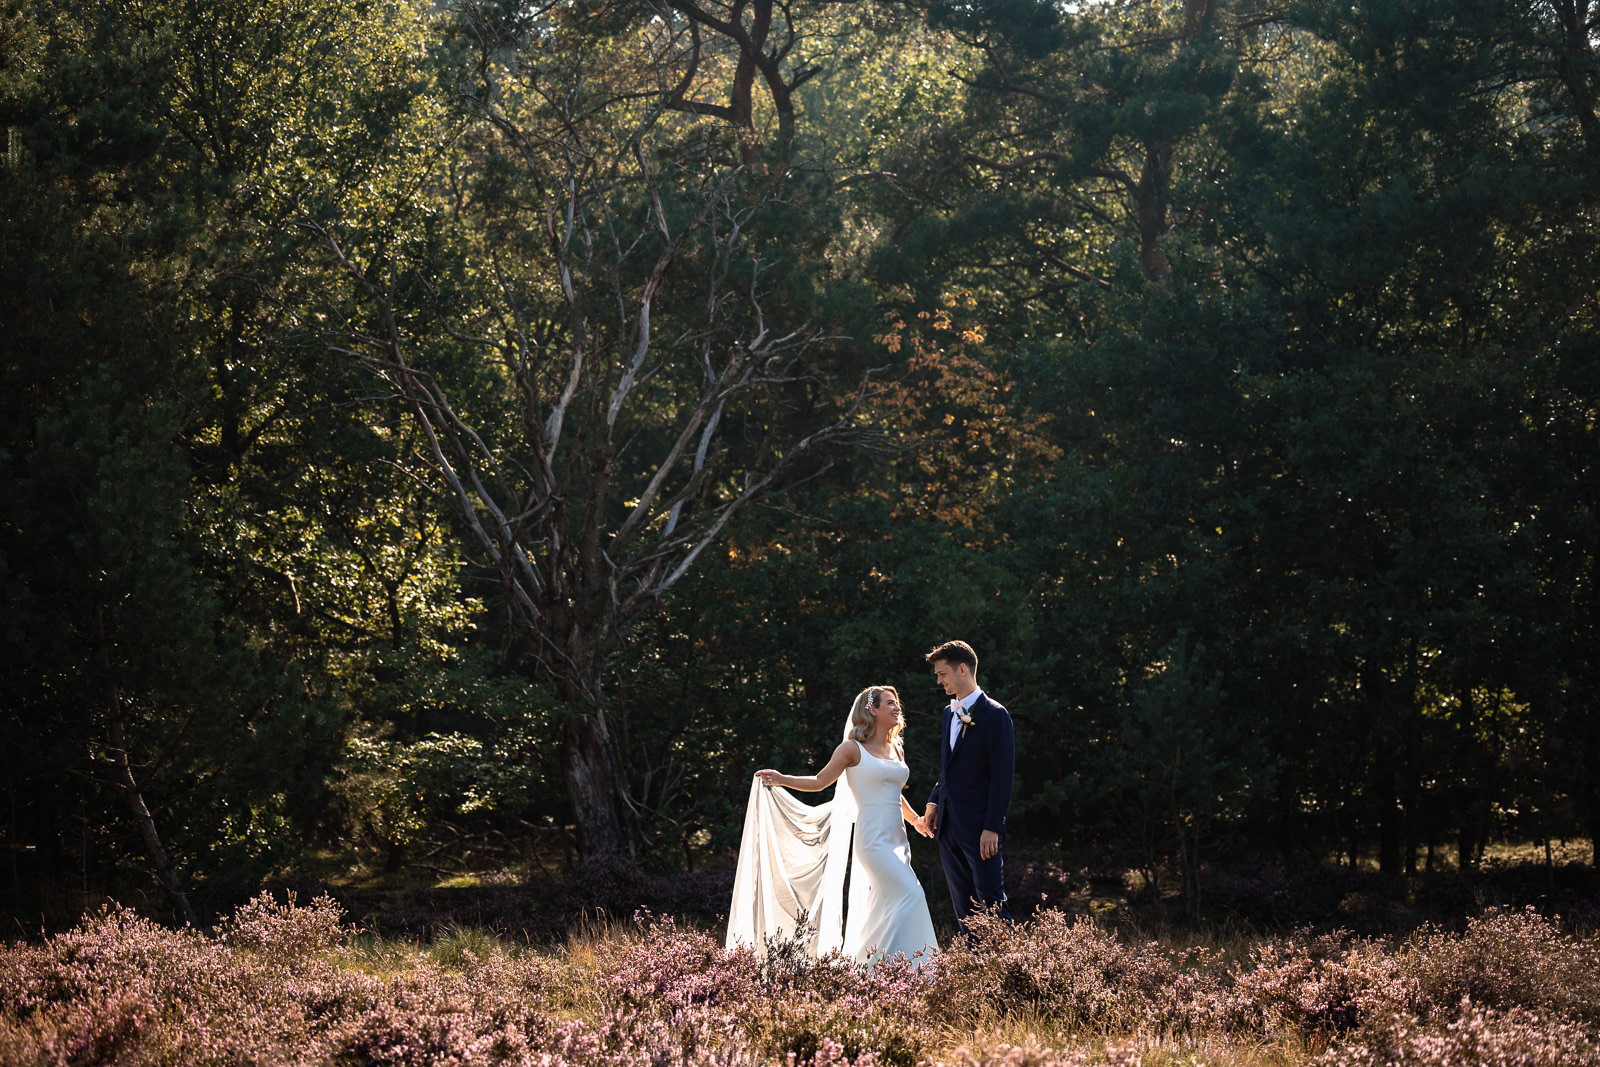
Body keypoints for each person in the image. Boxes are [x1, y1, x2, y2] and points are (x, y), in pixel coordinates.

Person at [725, 686, 939, 967]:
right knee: (912, 893)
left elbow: (892, 791)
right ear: (872, 709)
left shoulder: (895, 747)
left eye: (897, 702)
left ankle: (873, 968)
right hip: (872, 839)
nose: (897, 707)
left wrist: (916, 821)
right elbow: (819, 781)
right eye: (890, 703)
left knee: (884, 905)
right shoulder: (852, 748)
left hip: (897, 839)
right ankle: (912, 967)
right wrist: (781, 778)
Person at [923, 640, 1014, 934]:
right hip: (948, 825)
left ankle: (1014, 970)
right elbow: (947, 769)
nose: (939, 681)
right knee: (964, 907)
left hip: (980, 828)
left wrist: (993, 826)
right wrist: (935, 801)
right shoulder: (948, 713)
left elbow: (1002, 776)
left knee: (991, 903)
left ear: (962, 669)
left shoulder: (995, 714)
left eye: (942, 674)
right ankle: (975, 973)